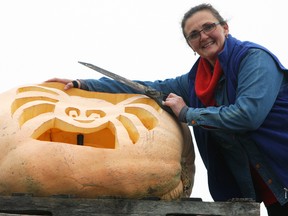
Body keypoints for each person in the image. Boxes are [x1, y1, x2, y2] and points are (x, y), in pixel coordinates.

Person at [46, 3, 288, 216]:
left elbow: (247, 116)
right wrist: (85, 84)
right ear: (190, 45)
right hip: (266, 187)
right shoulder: (192, 83)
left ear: (225, 27)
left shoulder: (254, 60)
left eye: (208, 27)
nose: (203, 37)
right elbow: (146, 88)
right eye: (194, 35)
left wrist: (187, 114)